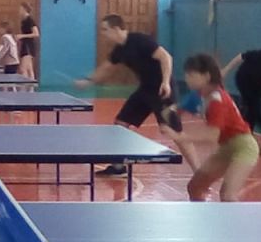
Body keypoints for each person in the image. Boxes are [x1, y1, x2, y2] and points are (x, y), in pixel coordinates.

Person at [75, 14, 200, 175]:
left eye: (105, 30)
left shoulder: (140, 41)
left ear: (116, 28)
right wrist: (88, 81)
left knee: (174, 132)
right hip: (145, 90)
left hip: (162, 91)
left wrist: (165, 82)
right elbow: (106, 68)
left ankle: (199, 172)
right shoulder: (119, 50)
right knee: (120, 124)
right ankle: (118, 167)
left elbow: (166, 57)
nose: (102, 33)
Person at [159, 53, 260, 201]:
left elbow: (212, 136)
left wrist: (180, 137)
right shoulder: (199, 95)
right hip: (225, 148)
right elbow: (179, 108)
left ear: (206, 76)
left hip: (244, 147)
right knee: (195, 187)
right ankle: (201, 215)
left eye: (191, 75)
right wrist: (170, 112)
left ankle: (240, 217)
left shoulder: (217, 100)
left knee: (227, 195)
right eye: (186, 74)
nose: (187, 78)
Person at [14, 2, 39, 80]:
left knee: (23, 69)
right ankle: (31, 86)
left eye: (20, 8)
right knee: (29, 69)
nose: (19, 10)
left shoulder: (30, 20)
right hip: (25, 45)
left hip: (29, 46)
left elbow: (36, 34)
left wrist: (22, 36)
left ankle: (24, 86)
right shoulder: (23, 21)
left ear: (24, 9)